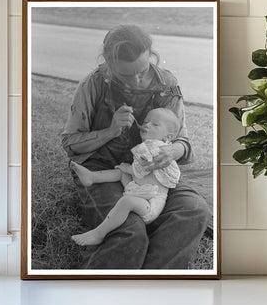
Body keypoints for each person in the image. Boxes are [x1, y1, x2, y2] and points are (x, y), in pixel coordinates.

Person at [62, 24, 211, 269]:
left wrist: (173, 150)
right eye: (125, 76)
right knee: (129, 230)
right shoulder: (93, 84)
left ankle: (151, 289)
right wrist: (110, 131)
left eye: (142, 71)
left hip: (154, 174)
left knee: (194, 211)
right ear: (108, 63)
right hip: (103, 170)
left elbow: (183, 142)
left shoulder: (167, 84)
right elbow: (70, 144)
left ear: (151, 55)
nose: (137, 80)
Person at [70, 107, 181, 246]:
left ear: (168, 137)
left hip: (150, 204)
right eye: (146, 121)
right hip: (139, 189)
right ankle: (92, 177)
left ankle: (99, 233)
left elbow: (140, 171)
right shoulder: (153, 146)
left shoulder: (155, 148)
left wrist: (127, 168)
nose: (147, 125)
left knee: (126, 200)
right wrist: (126, 170)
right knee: (121, 173)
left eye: (155, 124)